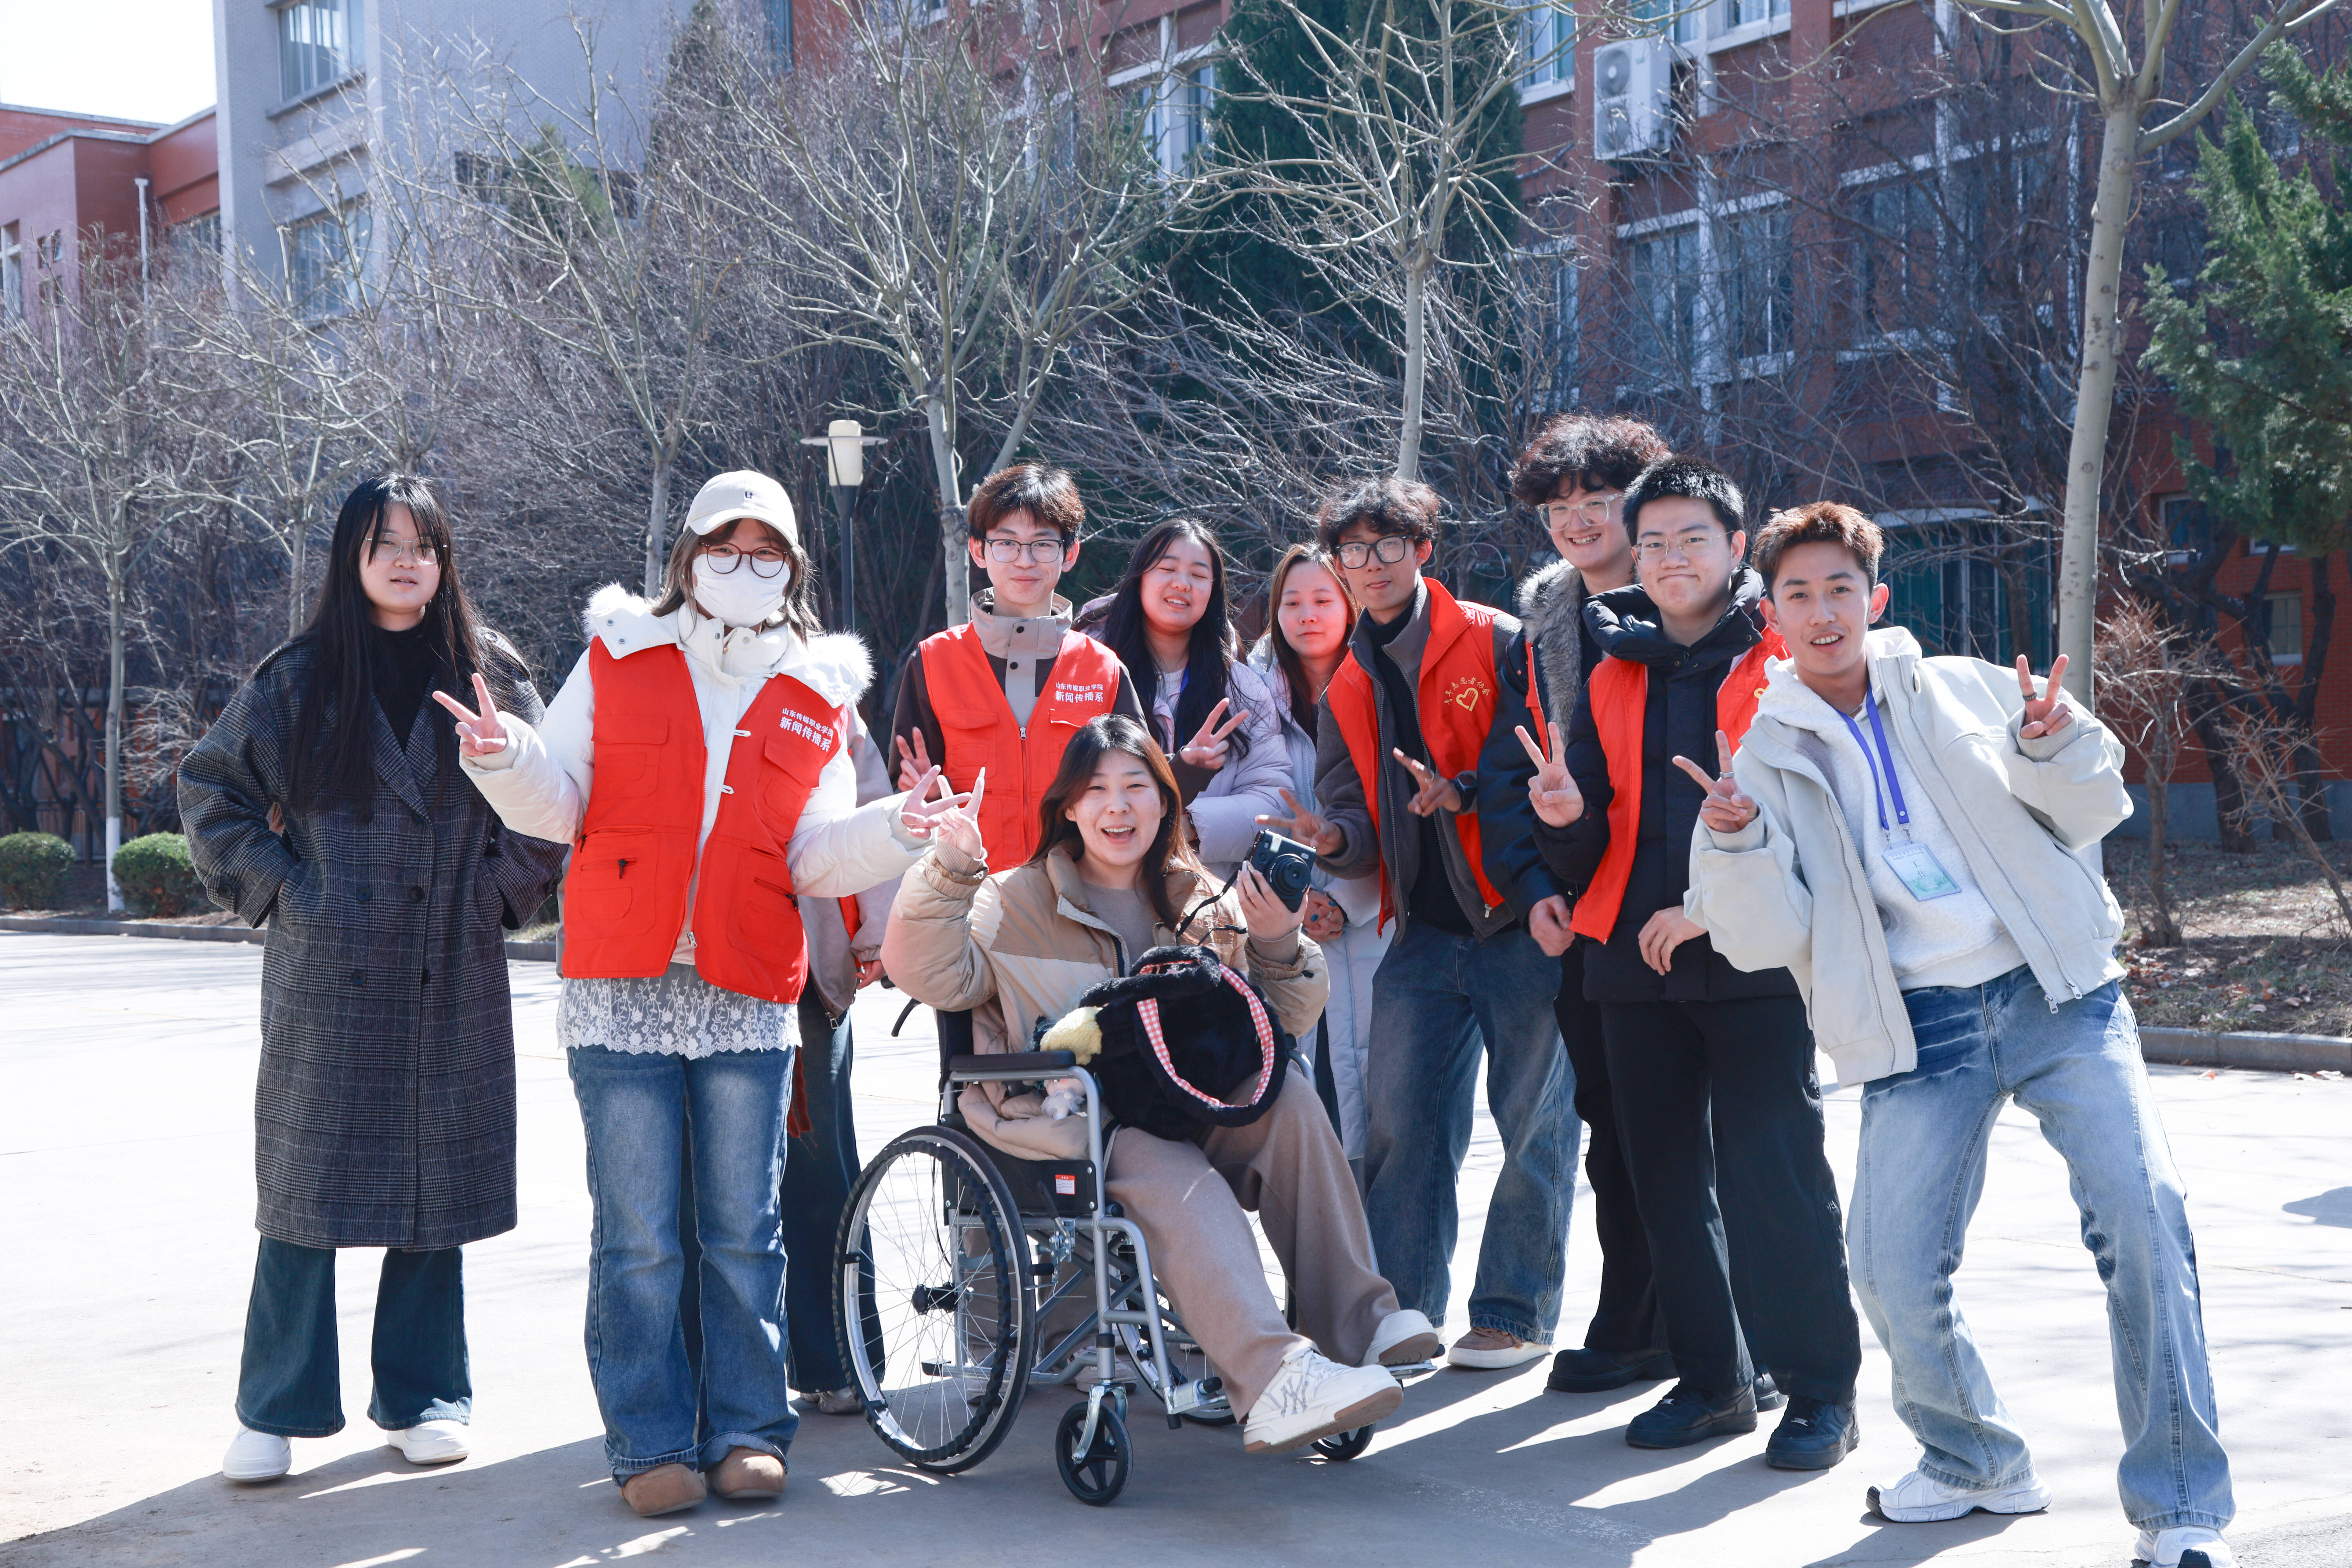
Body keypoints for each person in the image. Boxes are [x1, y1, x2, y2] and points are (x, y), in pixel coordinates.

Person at [1684, 504, 2236, 1568]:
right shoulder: (1762, 757)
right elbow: (1762, 940)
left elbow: (2089, 805)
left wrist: (2052, 744)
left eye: (1840, 588)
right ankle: (1974, 1457)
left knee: (2144, 1219)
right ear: (1772, 617)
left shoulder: (1970, 688)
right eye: (1797, 594)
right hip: (1920, 1024)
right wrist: (1737, 845)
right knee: (1890, 1269)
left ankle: (2181, 1507)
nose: (1822, 611)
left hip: (2056, 992)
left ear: (1875, 598)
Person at [440, 470, 953, 1518]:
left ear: (791, 569)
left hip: (748, 989)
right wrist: (503, 759)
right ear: (688, 556)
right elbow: (561, 801)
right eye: (726, 546)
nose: (743, 567)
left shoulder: (816, 688)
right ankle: (650, 1442)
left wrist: (899, 828)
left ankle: (749, 1430)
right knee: (640, 1235)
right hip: (621, 985)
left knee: (744, 1229)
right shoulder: (620, 653)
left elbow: (815, 852)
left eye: (766, 552)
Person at [881, 714, 1445, 1454]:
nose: (1117, 807)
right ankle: (1273, 1378)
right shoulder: (1014, 900)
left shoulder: (1202, 898)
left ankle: (1361, 1325)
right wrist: (953, 868)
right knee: (1156, 1155)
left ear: (1165, 802)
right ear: (1069, 807)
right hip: (1066, 1114)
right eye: (1096, 790)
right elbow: (924, 972)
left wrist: (1278, 941)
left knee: (1291, 1098)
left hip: (1185, 1100)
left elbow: (1274, 1022)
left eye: (1136, 787)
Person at [180, 474, 569, 1485]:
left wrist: (496, 894)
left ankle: (425, 1396)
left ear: (445, 560)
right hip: (327, 969)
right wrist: (284, 890)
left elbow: (553, 800)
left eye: (423, 545)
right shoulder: (300, 677)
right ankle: (275, 1406)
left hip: (451, 956)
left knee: (436, 1187)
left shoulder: (493, 672)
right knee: (302, 1193)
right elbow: (212, 789)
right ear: (350, 556)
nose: (406, 561)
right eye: (385, 542)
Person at [1515, 456, 1863, 1468]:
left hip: (1757, 957)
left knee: (1776, 1178)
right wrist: (1564, 819)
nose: (1672, 558)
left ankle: (1820, 1392)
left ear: (1734, 548)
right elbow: (1588, 845)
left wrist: (1707, 910)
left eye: (1693, 539)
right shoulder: (1612, 666)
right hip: (1633, 965)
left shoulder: (1780, 657)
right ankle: (1712, 1380)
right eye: (1655, 542)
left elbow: (1820, 821)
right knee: (1663, 1180)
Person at [1261, 476, 1575, 1372]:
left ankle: (1515, 1312)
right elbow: (1351, 816)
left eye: (1388, 545)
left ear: (1424, 549)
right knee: (1401, 1125)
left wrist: (1462, 791)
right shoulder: (1348, 683)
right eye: (1353, 551)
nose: (1371, 565)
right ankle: (1404, 1313)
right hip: (1425, 930)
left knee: (1533, 1122)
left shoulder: (1497, 638)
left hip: (1519, 918)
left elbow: (1541, 763)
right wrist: (1334, 838)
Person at [1495, 412, 1675, 1396]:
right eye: (1559, 508)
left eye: (1598, 501)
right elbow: (1511, 770)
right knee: (1613, 1126)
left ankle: (1738, 1338)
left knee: (1710, 1134)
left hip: (1690, 905)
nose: (1577, 521)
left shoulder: (1696, 603)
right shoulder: (1539, 623)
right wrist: (1533, 888)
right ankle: (1635, 1323)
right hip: (1582, 908)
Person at [890, 461, 1145, 863]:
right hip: (968, 890)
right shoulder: (933, 662)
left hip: (1078, 892)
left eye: (1043, 544)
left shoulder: (1104, 670)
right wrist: (921, 805)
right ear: (979, 550)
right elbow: (902, 805)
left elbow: (1139, 793)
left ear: (1070, 553)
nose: (1025, 561)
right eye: (1006, 543)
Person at [1247, 543, 1390, 1176]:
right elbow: (1250, 807)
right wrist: (1296, 902)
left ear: (1350, 604)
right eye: (1293, 602)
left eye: (1323, 600)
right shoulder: (1250, 696)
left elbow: (1398, 813)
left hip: (1375, 921)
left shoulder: (1383, 686)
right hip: (1281, 926)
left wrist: (1346, 900)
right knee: (1298, 1105)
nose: (1307, 615)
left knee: (1379, 1104)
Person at [1093, 517, 1290, 879]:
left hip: (1205, 894)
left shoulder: (1242, 689)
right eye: (1167, 569)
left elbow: (1275, 801)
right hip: (1103, 885)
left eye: (1199, 575)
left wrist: (1190, 826)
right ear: (1140, 578)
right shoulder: (1092, 675)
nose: (1182, 583)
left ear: (1213, 591)